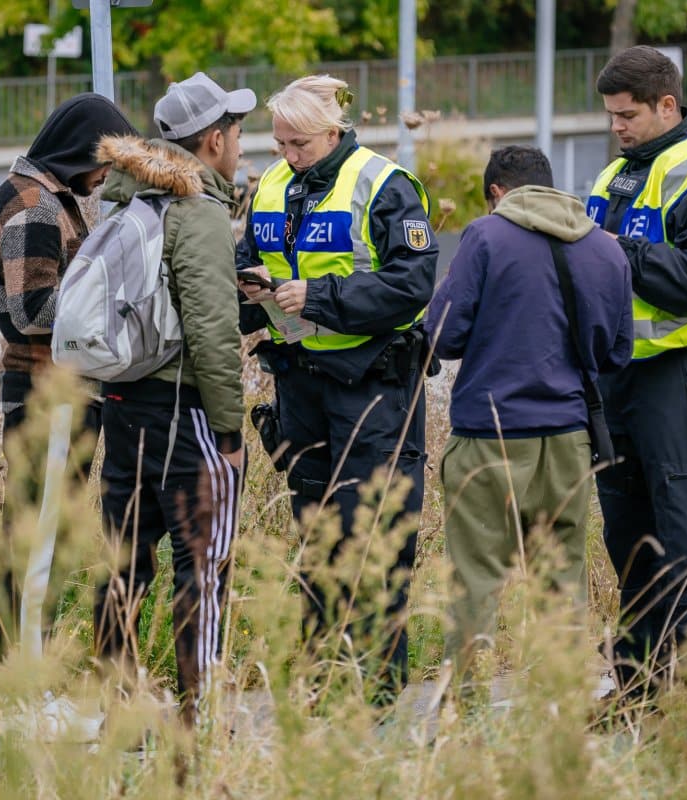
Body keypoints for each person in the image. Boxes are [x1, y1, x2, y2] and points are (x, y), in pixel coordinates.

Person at [236, 74, 438, 707]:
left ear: (332, 131)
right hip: (301, 382)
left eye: (298, 143)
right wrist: (251, 293)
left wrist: (318, 296)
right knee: (317, 532)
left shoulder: (385, 186)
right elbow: (251, 256)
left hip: (373, 386)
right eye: (279, 143)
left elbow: (413, 285)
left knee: (373, 533)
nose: (288, 155)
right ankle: (325, 677)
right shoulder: (272, 184)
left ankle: (375, 690)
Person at [427, 145, 632, 696]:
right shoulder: (605, 249)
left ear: (498, 192)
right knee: (561, 584)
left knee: (475, 583)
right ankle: (559, 711)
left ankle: (462, 716)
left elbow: (442, 337)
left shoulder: (486, 237)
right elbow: (617, 352)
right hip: (568, 441)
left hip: (489, 439)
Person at [586, 46, 687, 691]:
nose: (618, 128)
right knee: (632, 547)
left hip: (685, 383)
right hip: (618, 382)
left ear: (666, 105)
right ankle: (639, 690)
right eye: (610, 118)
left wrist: (614, 249)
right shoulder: (613, 179)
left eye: (628, 116)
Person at [92, 73, 253, 722]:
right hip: (184, 410)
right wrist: (232, 431)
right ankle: (198, 711)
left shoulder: (128, 202)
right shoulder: (199, 213)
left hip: (123, 406)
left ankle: (118, 707)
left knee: (124, 563)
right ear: (213, 141)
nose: (241, 143)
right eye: (237, 132)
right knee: (203, 565)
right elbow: (214, 333)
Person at [0, 92, 138, 656]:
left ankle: (18, 671)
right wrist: (115, 307)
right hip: (45, 391)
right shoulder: (34, 207)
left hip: (55, 389)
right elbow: (33, 310)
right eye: (104, 164)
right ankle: (19, 677)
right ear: (79, 152)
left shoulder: (50, 198)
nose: (103, 178)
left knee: (40, 528)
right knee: (36, 534)